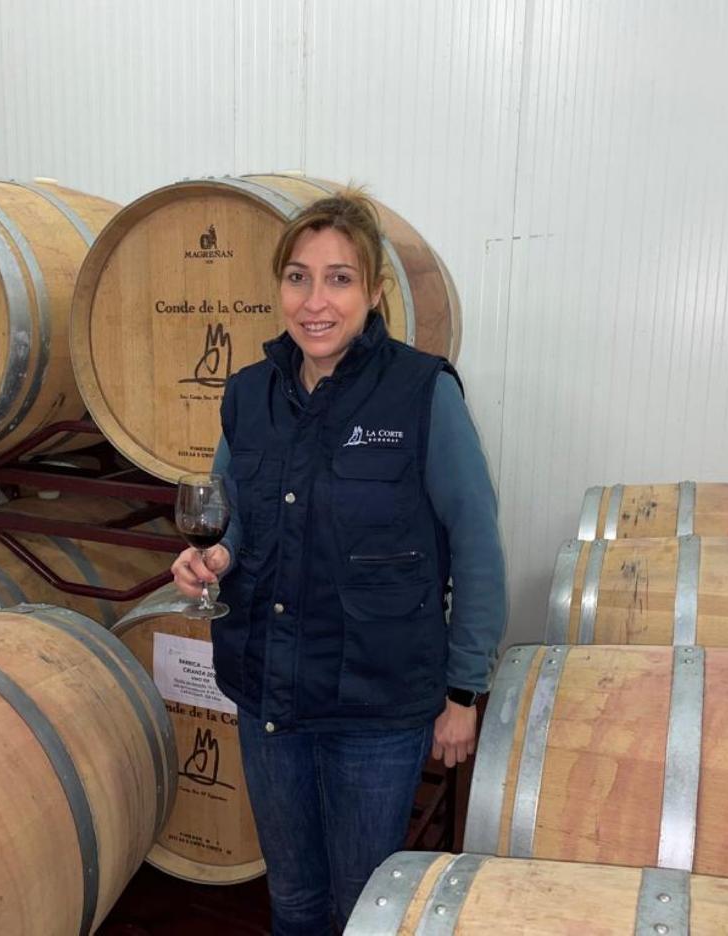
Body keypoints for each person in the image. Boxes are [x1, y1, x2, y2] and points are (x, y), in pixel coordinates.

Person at [171, 189, 507, 935]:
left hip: (375, 707)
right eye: (297, 277)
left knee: (364, 907)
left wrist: (463, 690)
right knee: (292, 899)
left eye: (338, 278)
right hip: (270, 695)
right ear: (278, 288)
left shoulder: (422, 393)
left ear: (374, 292)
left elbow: (477, 541)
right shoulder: (249, 394)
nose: (314, 301)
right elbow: (240, 519)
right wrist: (213, 558)